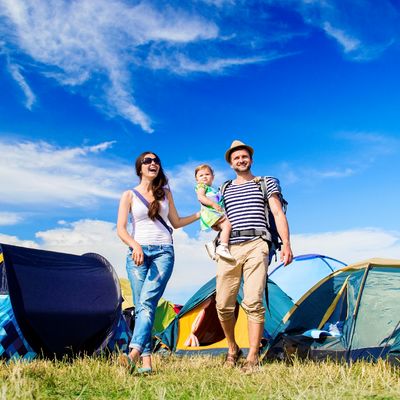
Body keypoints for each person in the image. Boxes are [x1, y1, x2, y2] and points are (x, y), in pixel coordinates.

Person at [117, 151, 200, 374]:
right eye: (148, 161)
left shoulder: (166, 193)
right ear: (140, 168)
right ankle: (146, 364)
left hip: (164, 252)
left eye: (156, 161)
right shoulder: (129, 195)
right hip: (137, 254)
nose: (153, 163)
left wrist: (201, 214)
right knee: (142, 307)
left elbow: (176, 221)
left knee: (148, 301)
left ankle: (133, 352)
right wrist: (135, 246)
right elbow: (121, 229)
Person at [216, 140, 293, 373]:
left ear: (250, 159)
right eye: (236, 157)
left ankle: (252, 356)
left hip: (258, 243)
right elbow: (216, 218)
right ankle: (232, 348)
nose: (241, 160)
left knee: (253, 301)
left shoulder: (266, 182)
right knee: (223, 305)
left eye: (244, 156)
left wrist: (286, 243)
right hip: (229, 247)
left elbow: (278, 212)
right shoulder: (224, 188)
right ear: (231, 163)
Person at [194, 164, 234, 261]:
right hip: (211, 213)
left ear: (213, 177)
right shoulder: (201, 186)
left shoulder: (214, 189)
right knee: (227, 225)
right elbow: (201, 197)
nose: (204, 177)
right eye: (201, 175)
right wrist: (213, 204)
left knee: (224, 229)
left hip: (214, 213)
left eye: (207, 174)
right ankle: (222, 247)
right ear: (196, 179)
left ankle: (213, 244)